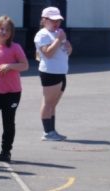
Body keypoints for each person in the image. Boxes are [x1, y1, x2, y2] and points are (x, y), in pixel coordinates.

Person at [0, 16, 29, 163]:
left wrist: (10, 66)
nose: (4, 32)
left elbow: (25, 65)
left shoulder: (15, 48)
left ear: (11, 33)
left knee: (8, 121)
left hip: (12, 91)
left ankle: (6, 151)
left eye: (7, 30)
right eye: (1, 29)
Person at [34, 6, 72, 142]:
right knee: (48, 102)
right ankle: (47, 132)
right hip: (50, 72)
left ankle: (52, 130)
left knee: (53, 104)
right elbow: (48, 53)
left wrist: (68, 47)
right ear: (44, 20)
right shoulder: (42, 34)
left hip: (61, 71)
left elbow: (65, 52)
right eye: (53, 20)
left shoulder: (58, 33)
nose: (56, 23)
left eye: (58, 21)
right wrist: (58, 40)